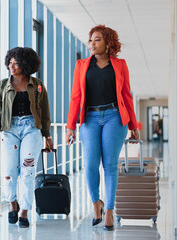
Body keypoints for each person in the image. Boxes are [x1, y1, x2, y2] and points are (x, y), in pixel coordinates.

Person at [66, 25, 140, 231]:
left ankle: (109, 210)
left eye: (96, 39)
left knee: (109, 165)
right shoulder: (81, 65)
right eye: (90, 40)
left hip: (114, 117)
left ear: (108, 43)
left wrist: (133, 125)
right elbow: (75, 97)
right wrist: (70, 126)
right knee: (90, 164)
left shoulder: (120, 65)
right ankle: (95, 203)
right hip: (89, 118)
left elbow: (127, 95)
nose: (91, 44)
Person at [0, 47, 53, 228]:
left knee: (28, 171)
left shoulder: (38, 85)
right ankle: (12, 204)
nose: (11, 65)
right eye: (10, 62)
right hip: (9, 130)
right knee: (9, 172)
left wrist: (47, 136)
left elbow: (45, 112)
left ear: (25, 64)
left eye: (16, 62)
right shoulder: (2, 86)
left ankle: (24, 210)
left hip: (31, 129)